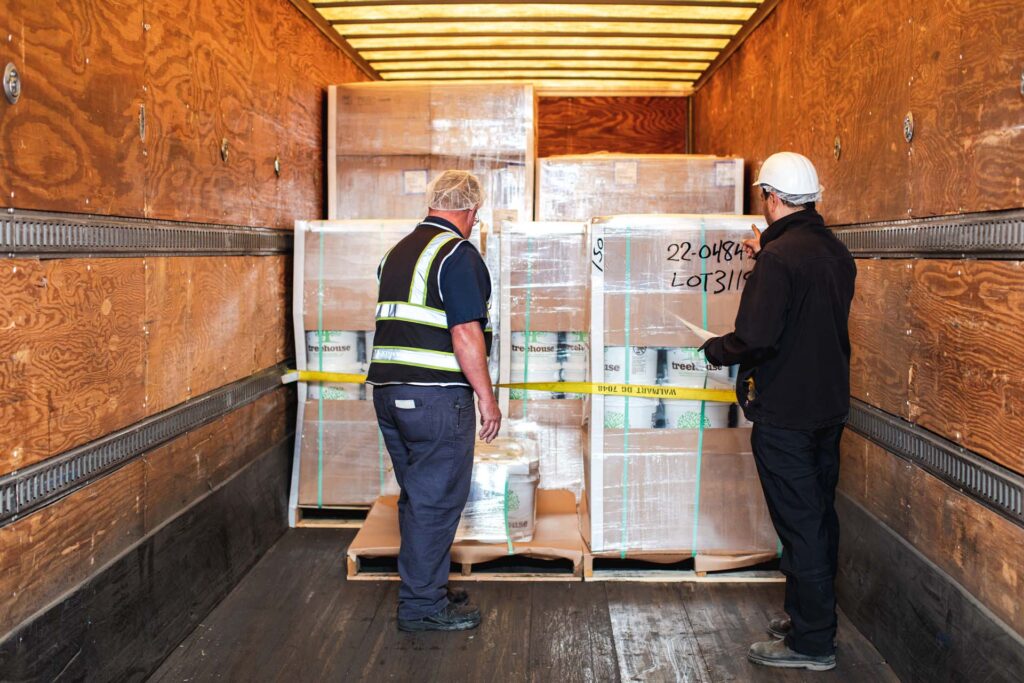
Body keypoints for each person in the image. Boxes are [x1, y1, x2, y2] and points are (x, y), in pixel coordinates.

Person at [700, 152, 856, 671]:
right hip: (827, 410)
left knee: (799, 524)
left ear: (772, 198)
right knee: (817, 518)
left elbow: (757, 337)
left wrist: (715, 348)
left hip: (785, 413)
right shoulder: (836, 252)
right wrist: (764, 250)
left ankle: (813, 644)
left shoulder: (779, 260)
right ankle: (808, 618)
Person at [366, 170, 501, 633]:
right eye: (476, 214)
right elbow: (465, 334)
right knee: (437, 501)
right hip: (435, 399)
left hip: (389, 395)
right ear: (470, 211)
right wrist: (488, 399)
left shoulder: (396, 253)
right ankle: (422, 606)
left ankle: (429, 586)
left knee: (418, 498)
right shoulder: (457, 255)